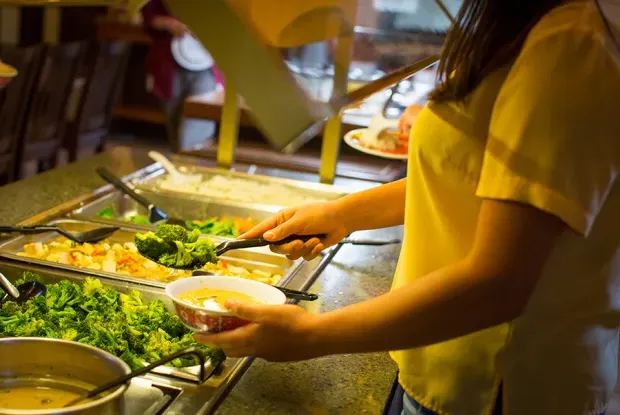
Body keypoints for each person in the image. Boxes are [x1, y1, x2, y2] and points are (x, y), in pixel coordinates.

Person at [196, 1, 620, 414]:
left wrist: (310, 335)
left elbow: (502, 280)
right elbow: (472, 176)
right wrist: (342, 214)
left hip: (499, 386)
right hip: (439, 360)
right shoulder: (520, 22)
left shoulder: (569, 41)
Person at [140, 0, 223, 152]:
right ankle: (182, 165)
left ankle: (191, 165)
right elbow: (148, 16)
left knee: (195, 128)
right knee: (174, 126)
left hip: (207, 65)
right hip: (168, 64)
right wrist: (169, 23)